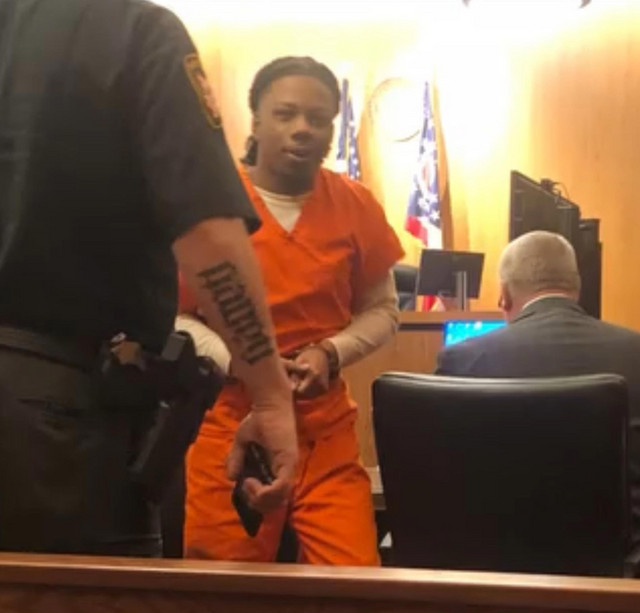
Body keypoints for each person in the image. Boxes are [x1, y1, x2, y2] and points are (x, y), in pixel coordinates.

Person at [0, 0, 297, 556]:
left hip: (53, 415)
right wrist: (270, 396)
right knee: (85, 604)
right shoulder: (132, 31)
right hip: (63, 427)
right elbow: (207, 234)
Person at [179, 56, 404, 565]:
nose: (302, 128)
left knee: (354, 584)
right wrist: (244, 365)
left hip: (324, 429)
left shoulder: (355, 204)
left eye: (317, 118)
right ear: (256, 121)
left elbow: (383, 309)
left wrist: (331, 352)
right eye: (285, 114)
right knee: (222, 591)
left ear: (332, 130)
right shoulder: (211, 208)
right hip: (232, 422)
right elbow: (178, 316)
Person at [435, 230, 640, 543]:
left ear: (504, 296)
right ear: (577, 288)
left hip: (496, 557)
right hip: (620, 559)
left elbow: (442, 469)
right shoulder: (635, 351)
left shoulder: (462, 361)